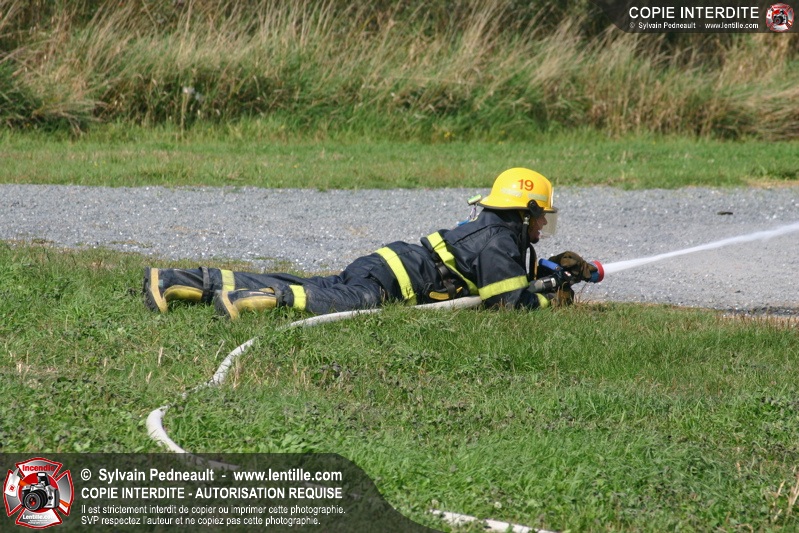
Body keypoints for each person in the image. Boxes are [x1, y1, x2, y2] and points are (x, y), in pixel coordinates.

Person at [143, 167, 597, 319]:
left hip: (385, 263)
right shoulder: (499, 242)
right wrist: (551, 298)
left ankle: (181, 280)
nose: (543, 225)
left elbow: (503, 282)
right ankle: (255, 300)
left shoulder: (493, 232)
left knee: (308, 281)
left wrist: (545, 274)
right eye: (541, 216)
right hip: (391, 283)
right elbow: (507, 307)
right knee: (346, 301)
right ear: (524, 212)